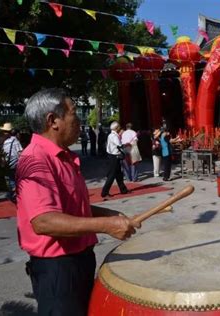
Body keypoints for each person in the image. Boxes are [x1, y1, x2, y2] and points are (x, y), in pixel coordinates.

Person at [16, 88, 140, 316]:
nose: (79, 121)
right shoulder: (36, 159)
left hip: (79, 260)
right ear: (53, 121)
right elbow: (44, 221)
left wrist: (107, 214)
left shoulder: (62, 156)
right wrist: (106, 226)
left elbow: (70, 208)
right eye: (74, 113)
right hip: (58, 268)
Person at [101, 121, 130, 198]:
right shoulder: (114, 136)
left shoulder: (111, 135)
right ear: (117, 128)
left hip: (112, 156)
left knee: (118, 174)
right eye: (119, 127)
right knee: (112, 175)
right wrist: (126, 144)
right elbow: (119, 145)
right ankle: (104, 192)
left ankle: (123, 189)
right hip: (114, 157)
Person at [0, 122, 23, 203]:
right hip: (14, 164)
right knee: (13, 179)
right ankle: (15, 194)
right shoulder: (14, 141)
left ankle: (14, 194)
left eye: (4, 131)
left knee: (11, 179)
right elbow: (20, 153)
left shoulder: (4, 141)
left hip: (9, 164)